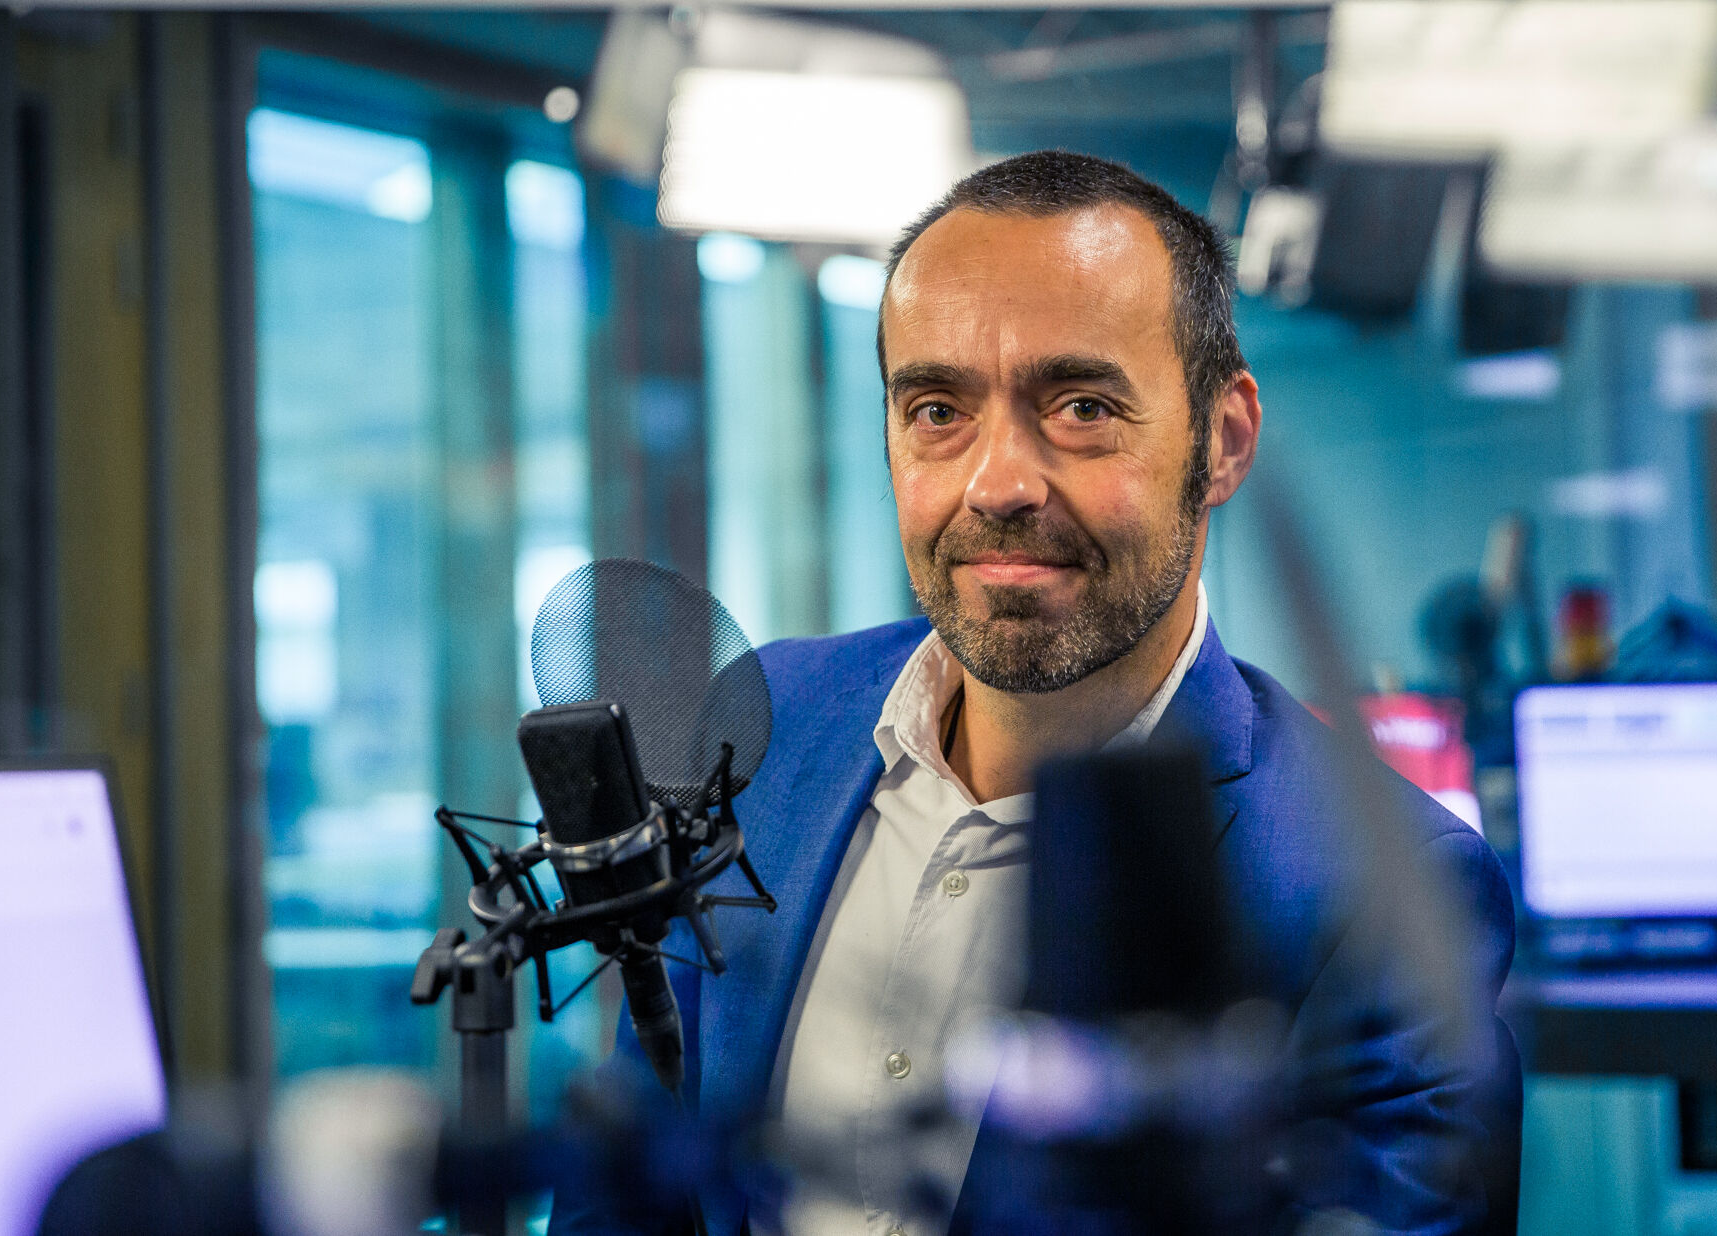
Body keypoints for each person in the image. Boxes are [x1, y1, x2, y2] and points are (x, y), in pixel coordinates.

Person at [549, 151, 1519, 1236]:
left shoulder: (1389, 891)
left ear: (1223, 441)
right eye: (936, 409)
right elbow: (629, 1181)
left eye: (1082, 406)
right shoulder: (768, 727)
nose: (998, 484)